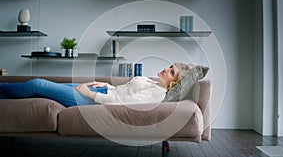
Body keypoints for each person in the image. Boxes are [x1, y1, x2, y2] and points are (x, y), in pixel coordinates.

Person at [0, 63, 193, 107]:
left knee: (39, 85)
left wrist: (90, 94)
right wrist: (106, 84)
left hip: (93, 102)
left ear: (174, 83)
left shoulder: (157, 95)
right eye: (170, 66)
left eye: (172, 72)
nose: (166, 69)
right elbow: (120, 91)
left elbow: (122, 102)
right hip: (101, 91)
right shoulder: (154, 82)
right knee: (40, 88)